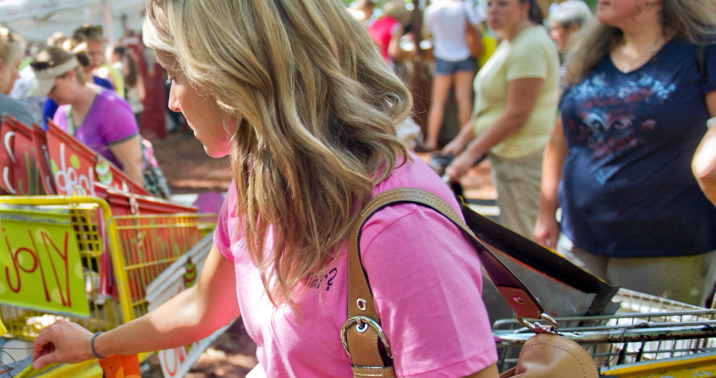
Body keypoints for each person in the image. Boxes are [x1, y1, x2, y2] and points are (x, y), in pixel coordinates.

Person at [30, 0, 497, 376]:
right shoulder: (257, 184)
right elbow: (202, 307)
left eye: (175, 74)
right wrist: (93, 344)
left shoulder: (400, 228)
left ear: (233, 73)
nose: (172, 99)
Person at [538, 0, 716, 305]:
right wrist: (545, 214)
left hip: (665, 247)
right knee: (576, 350)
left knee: (647, 352)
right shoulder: (589, 54)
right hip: (579, 240)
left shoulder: (703, 51)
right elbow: (559, 140)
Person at [443, 0, 558, 239]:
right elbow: (492, 108)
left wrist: (470, 153)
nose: (493, 10)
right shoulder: (511, 42)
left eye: (503, 4)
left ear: (525, 7)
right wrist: (462, 140)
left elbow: (516, 114)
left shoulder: (530, 45)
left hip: (524, 159)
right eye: (489, 4)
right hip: (509, 157)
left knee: (525, 241)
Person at [31, 46, 146, 188]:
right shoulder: (61, 113)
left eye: (53, 88)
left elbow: (133, 172)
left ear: (70, 75)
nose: (49, 95)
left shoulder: (111, 107)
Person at [423, 0, 484, 151]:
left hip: (442, 58)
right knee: (464, 100)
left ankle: (431, 141)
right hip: (465, 57)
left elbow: (429, 33)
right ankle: (467, 142)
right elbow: (479, 29)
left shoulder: (432, 9)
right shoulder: (464, 7)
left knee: (438, 101)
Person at [548, 0, 594, 84]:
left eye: (556, 29)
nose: (552, 36)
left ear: (573, 28)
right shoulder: (571, 57)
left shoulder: (589, 60)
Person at [369, 1, 413, 66]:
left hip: (372, 61)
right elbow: (394, 52)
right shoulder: (396, 25)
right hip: (385, 64)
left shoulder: (375, 22)